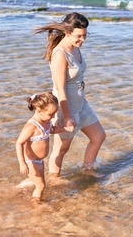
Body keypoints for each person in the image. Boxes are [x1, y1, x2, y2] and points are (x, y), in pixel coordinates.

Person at [34, 12, 106, 178]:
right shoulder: (60, 54)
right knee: (61, 149)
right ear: (67, 32)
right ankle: (54, 179)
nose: (82, 40)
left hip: (81, 105)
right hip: (66, 108)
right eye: (79, 36)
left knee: (99, 136)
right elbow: (60, 89)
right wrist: (67, 117)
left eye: (85, 36)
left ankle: (88, 171)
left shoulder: (75, 48)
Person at [16, 92, 65, 201]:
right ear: (39, 111)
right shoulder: (32, 126)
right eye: (50, 114)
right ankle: (36, 204)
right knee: (41, 186)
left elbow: (52, 130)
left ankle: (16, 189)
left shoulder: (46, 121)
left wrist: (64, 128)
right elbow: (19, 143)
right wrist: (22, 163)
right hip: (31, 161)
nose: (52, 117)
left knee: (38, 180)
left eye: (54, 114)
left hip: (39, 160)